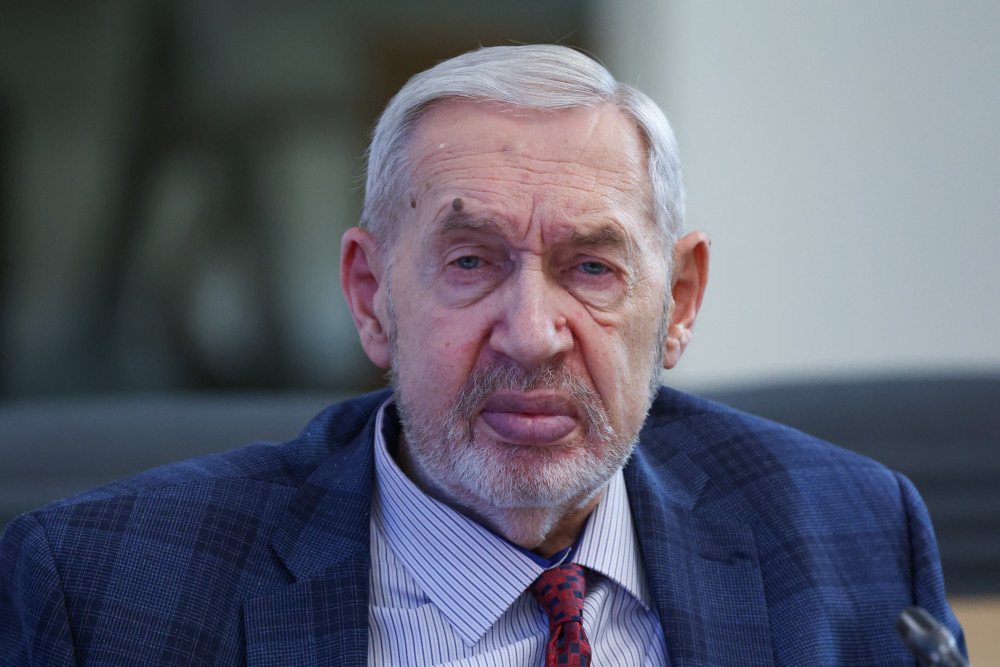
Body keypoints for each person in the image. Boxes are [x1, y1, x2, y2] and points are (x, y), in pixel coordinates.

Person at [0, 44, 964, 666]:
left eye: (591, 267)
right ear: (371, 296)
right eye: (470, 262)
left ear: (679, 302)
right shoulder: (104, 596)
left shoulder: (856, 538)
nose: (532, 332)